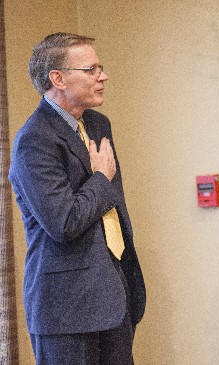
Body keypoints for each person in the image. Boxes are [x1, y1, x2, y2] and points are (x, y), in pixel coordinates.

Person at [8, 32, 146, 364]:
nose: (103, 76)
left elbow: (112, 207)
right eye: (91, 69)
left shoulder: (99, 124)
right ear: (58, 78)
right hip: (66, 308)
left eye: (101, 67)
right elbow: (65, 223)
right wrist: (100, 178)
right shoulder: (33, 140)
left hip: (114, 294)